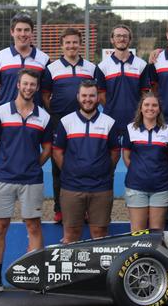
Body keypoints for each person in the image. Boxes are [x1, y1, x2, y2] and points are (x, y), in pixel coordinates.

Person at [0, 69, 52, 294]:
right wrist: (3, 166)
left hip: (31, 180)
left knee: (33, 225)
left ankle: (35, 279)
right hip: (3, 179)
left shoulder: (44, 116)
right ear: (18, 85)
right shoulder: (0, 112)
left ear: (36, 87)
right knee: (0, 227)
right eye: (25, 84)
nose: (29, 88)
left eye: (33, 84)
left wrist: (33, 165)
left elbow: (48, 148)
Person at [41, 27, 99, 223]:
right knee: (59, 166)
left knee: (86, 163)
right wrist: (57, 116)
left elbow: (96, 94)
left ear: (80, 44)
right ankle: (60, 209)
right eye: (68, 42)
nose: (71, 46)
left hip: (85, 122)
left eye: (75, 42)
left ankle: (87, 209)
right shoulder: (52, 68)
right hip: (60, 122)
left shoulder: (91, 68)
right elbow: (45, 96)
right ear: (62, 45)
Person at [52, 80, 119, 243]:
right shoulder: (66, 122)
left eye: (91, 95)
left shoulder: (109, 122)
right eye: (84, 95)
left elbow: (115, 153)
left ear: (97, 98)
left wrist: (104, 171)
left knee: (100, 233)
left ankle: (99, 270)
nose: (87, 99)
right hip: (72, 187)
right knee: (71, 234)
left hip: (101, 187)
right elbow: (57, 152)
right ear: (78, 97)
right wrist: (70, 171)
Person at [122, 92, 168, 232]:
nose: (150, 108)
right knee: (137, 232)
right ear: (141, 108)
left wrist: (158, 172)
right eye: (146, 105)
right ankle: (140, 256)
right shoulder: (130, 129)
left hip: (161, 188)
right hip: (136, 186)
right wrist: (138, 171)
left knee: (156, 232)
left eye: (154, 105)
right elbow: (126, 157)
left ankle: (152, 256)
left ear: (159, 109)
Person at [96, 24, 150, 134]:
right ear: (112, 39)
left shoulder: (141, 65)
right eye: (118, 36)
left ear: (130, 40)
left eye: (125, 36)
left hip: (136, 120)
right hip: (110, 120)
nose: (122, 39)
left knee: (132, 151)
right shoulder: (102, 66)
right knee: (112, 151)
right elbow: (101, 96)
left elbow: (144, 94)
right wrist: (112, 109)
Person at [0, 13, 50, 107]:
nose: (23, 34)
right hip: (7, 117)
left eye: (27, 30)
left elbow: (46, 92)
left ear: (32, 32)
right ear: (12, 32)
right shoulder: (0, 56)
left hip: (34, 118)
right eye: (19, 30)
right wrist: (4, 105)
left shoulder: (44, 58)